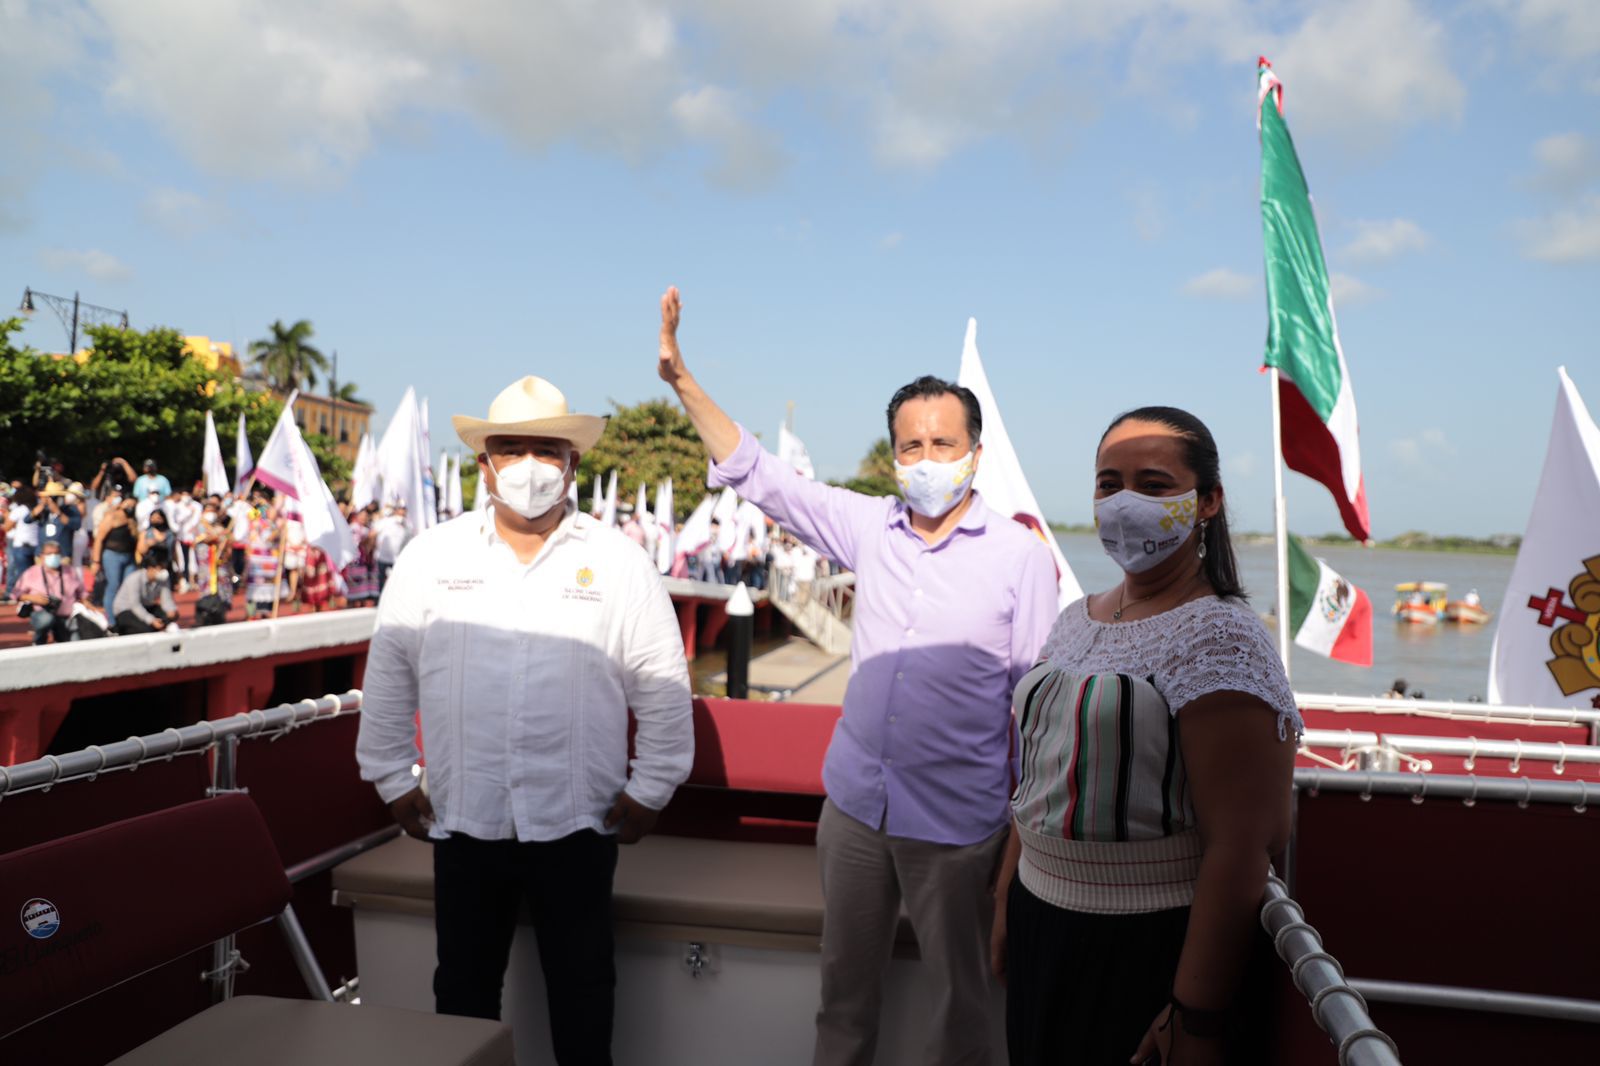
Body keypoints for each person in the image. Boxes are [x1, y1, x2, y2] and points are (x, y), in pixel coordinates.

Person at [657, 286, 1057, 1066]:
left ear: (976, 453)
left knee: (966, 1012)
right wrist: (681, 379)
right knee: (841, 999)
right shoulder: (870, 527)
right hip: (855, 814)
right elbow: (761, 477)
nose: (928, 460)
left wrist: (1017, 850)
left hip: (960, 832)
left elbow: (1037, 718)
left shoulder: (1020, 558)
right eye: (912, 446)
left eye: (944, 444)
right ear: (894, 455)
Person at [356, 374, 694, 1064]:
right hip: (464, 815)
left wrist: (652, 786)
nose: (528, 466)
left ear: (573, 463)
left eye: (547, 449)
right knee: (462, 994)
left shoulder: (620, 563)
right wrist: (390, 775)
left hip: (579, 818)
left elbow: (661, 684)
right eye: (510, 449)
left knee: (584, 990)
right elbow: (390, 675)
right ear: (483, 464)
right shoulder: (431, 557)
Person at [991, 406, 1298, 1066]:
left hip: (1141, 942)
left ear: (1208, 501)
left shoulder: (1219, 637)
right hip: (1039, 918)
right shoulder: (1077, 619)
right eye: (1109, 483)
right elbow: (1042, 769)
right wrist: (1005, 899)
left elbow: (1244, 844)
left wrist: (1197, 1015)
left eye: (1154, 485)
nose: (1125, 502)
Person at [15, 540, 85, 644]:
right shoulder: (32, 572)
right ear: (42, 556)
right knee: (46, 619)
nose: (53, 556)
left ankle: (61, 637)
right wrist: (32, 598)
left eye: (56, 553)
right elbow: (16, 594)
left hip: (67, 615)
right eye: (49, 554)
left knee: (76, 641)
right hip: (42, 613)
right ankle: (39, 640)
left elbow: (83, 594)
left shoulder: (70, 571)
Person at [92, 497, 141, 615]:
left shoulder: (134, 519)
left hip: (129, 557)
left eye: (133, 505)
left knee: (130, 587)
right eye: (128, 504)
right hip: (112, 556)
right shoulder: (112, 516)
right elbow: (99, 539)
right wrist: (96, 561)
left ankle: (127, 616)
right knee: (113, 585)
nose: (130, 507)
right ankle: (111, 620)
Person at [113, 547, 179, 634]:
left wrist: (171, 611)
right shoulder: (135, 579)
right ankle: (119, 631)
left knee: (169, 618)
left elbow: (166, 599)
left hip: (145, 606)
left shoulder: (164, 579)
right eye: (160, 568)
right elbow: (135, 605)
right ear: (150, 568)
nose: (163, 571)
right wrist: (151, 620)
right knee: (146, 629)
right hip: (125, 610)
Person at [5, 481, 39, 602]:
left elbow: (7, 526)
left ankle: (17, 594)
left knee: (20, 573)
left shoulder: (19, 509)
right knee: (34, 573)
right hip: (36, 545)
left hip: (21, 545)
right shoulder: (37, 508)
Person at [372, 504, 411, 592]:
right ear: (396, 510)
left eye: (404, 509)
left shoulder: (408, 525)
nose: (403, 511)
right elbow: (373, 533)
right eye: (401, 508)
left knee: (396, 584)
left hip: (396, 559)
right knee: (380, 582)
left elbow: (408, 542)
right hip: (381, 557)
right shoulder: (386, 521)